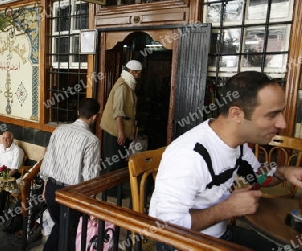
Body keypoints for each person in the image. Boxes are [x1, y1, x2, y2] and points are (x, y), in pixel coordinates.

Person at [149, 71, 302, 251]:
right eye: (272, 115)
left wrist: (284, 172)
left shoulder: (238, 145)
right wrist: (227, 209)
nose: (283, 124)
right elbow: (165, 227)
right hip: (183, 243)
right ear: (236, 114)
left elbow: (257, 177)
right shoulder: (190, 155)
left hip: (218, 234)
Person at [40, 97, 101, 251]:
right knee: (69, 231)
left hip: (52, 189)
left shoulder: (59, 130)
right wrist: (91, 203)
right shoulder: (91, 140)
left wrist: (45, 185)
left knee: (62, 227)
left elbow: (48, 158)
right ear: (94, 117)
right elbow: (90, 175)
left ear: (78, 112)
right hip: (72, 194)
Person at [100, 60, 142, 194]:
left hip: (119, 130)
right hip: (115, 131)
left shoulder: (127, 85)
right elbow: (118, 112)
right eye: (138, 73)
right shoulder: (122, 87)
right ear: (132, 72)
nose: (139, 76)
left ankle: (112, 189)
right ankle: (109, 191)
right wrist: (121, 132)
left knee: (117, 161)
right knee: (113, 162)